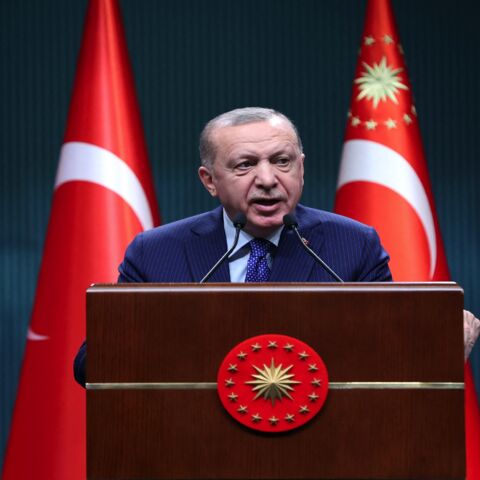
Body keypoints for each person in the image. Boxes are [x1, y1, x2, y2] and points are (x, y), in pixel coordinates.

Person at [72, 106, 393, 386]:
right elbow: (93, 367)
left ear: (302, 168)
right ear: (209, 180)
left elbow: (392, 354)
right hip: (196, 445)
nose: (267, 179)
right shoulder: (156, 253)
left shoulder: (353, 245)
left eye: (282, 161)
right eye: (245, 165)